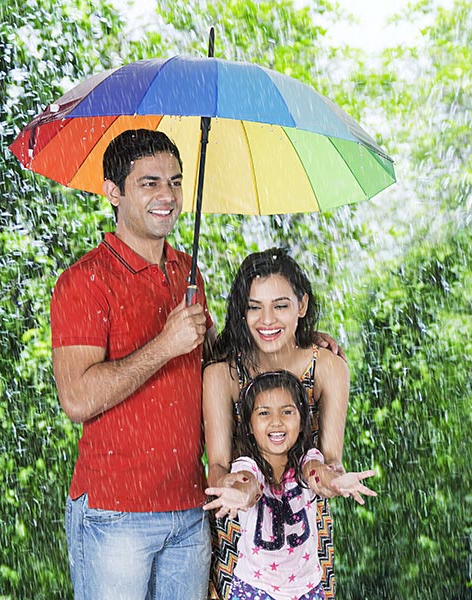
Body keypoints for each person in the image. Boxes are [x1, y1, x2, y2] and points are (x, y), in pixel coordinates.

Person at [51, 129, 214, 600]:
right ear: (113, 192)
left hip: (189, 509)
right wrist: (164, 345)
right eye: (149, 183)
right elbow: (78, 398)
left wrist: (298, 344)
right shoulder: (85, 282)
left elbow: (216, 365)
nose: (168, 196)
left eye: (175, 181)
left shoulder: (189, 272)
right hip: (113, 514)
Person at [203, 248, 351, 599]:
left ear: (301, 306)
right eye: (255, 306)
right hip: (238, 539)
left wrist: (334, 481)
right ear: (242, 310)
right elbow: (217, 465)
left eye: (280, 306)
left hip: (304, 549)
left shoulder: (328, 368)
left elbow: (329, 461)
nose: (267, 320)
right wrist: (235, 489)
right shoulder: (222, 374)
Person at [203, 370, 375, 600]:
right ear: (250, 427)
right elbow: (249, 484)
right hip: (254, 589)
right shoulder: (248, 465)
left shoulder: (307, 460)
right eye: (264, 413)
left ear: (303, 421)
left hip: (307, 589)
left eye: (287, 412)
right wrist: (239, 494)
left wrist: (334, 481)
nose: (276, 421)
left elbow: (317, 474)